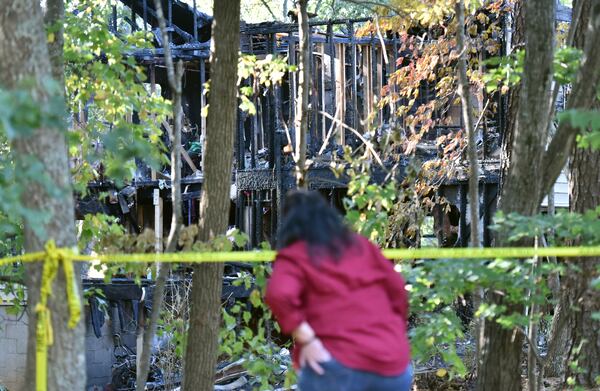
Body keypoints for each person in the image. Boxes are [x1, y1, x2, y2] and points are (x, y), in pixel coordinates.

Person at [265, 190, 412, 391]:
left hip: (334, 363)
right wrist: (392, 332)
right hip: (391, 362)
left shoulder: (295, 254)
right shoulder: (362, 246)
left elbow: (279, 294)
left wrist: (307, 339)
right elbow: (398, 291)